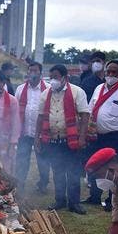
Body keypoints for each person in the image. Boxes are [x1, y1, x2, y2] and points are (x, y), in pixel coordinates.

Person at [35, 64, 89, 215]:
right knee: (57, 171)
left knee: (73, 172)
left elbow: (85, 115)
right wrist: (37, 138)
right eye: (51, 77)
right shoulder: (46, 94)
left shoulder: (77, 92)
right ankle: (60, 200)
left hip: (71, 140)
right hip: (53, 140)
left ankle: (74, 203)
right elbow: (40, 118)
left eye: (56, 77)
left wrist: (83, 137)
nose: (53, 81)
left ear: (65, 78)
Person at [84, 60, 118, 211]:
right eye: (109, 72)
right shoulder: (98, 88)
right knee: (95, 165)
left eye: (114, 72)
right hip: (96, 136)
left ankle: (111, 200)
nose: (111, 75)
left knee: (113, 168)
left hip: (114, 136)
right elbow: (90, 109)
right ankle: (94, 196)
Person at [14, 61, 50, 196]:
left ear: (41, 73)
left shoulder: (47, 89)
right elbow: (16, 109)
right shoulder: (20, 89)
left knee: (43, 161)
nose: (32, 73)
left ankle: (43, 183)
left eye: (35, 71)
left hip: (41, 132)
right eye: (30, 70)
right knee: (22, 158)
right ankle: (20, 183)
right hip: (24, 131)